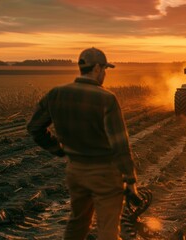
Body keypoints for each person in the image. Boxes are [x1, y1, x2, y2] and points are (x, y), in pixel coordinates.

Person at [27, 47, 138, 240]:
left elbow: (34, 127)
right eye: (104, 69)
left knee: (77, 222)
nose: (104, 73)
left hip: (75, 171)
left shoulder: (56, 94)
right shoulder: (106, 99)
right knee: (108, 228)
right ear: (96, 68)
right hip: (105, 173)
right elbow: (120, 145)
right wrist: (130, 180)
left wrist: (59, 150)